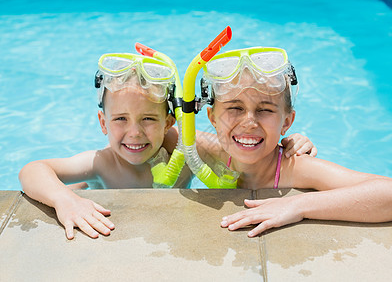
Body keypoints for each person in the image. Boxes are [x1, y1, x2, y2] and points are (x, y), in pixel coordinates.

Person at [19, 52, 317, 240]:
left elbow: (245, 152)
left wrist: (288, 141)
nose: (134, 132)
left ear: (169, 123)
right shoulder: (102, 163)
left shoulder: (187, 149)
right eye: (121, 119)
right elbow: (33, 169)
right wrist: (64, 200)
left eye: (148, 118)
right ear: (103, 123)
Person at [198, 47, 392, 237]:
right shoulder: (210, 150)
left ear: (287, 122)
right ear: (213, 118)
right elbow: (167, 130)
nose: (249, 122)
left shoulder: (293, 166)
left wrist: (298, 205)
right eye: (235, 108)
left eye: (265, 109)